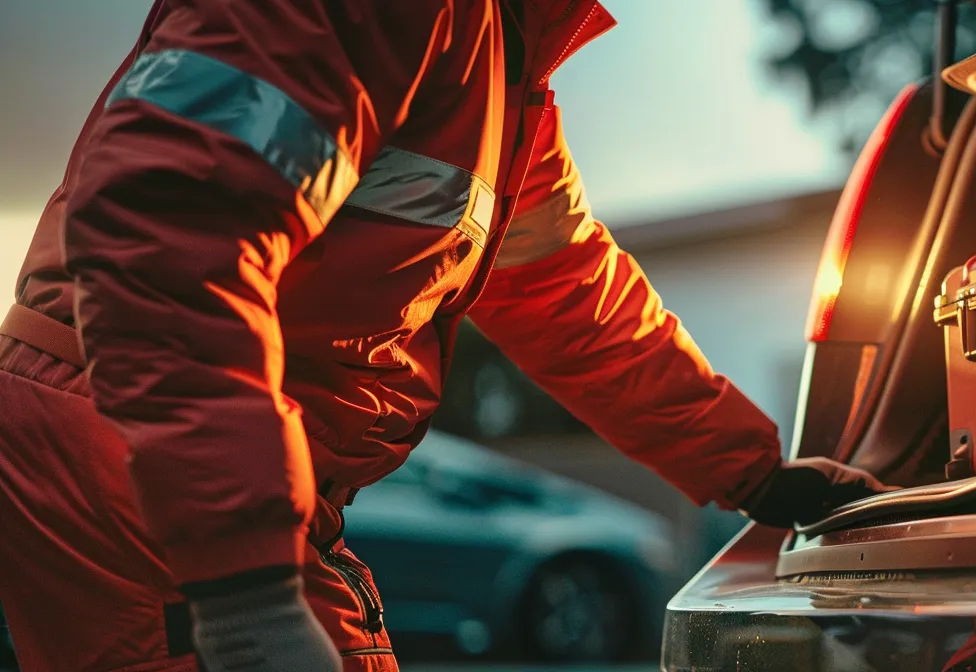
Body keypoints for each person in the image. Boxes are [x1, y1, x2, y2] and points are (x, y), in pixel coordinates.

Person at [0, 1, 891, 670]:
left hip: (164, 439)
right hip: (140, 450)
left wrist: (751, 468)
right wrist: (244, 593)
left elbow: (571, 297)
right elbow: (164, 224)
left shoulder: (499, 78)